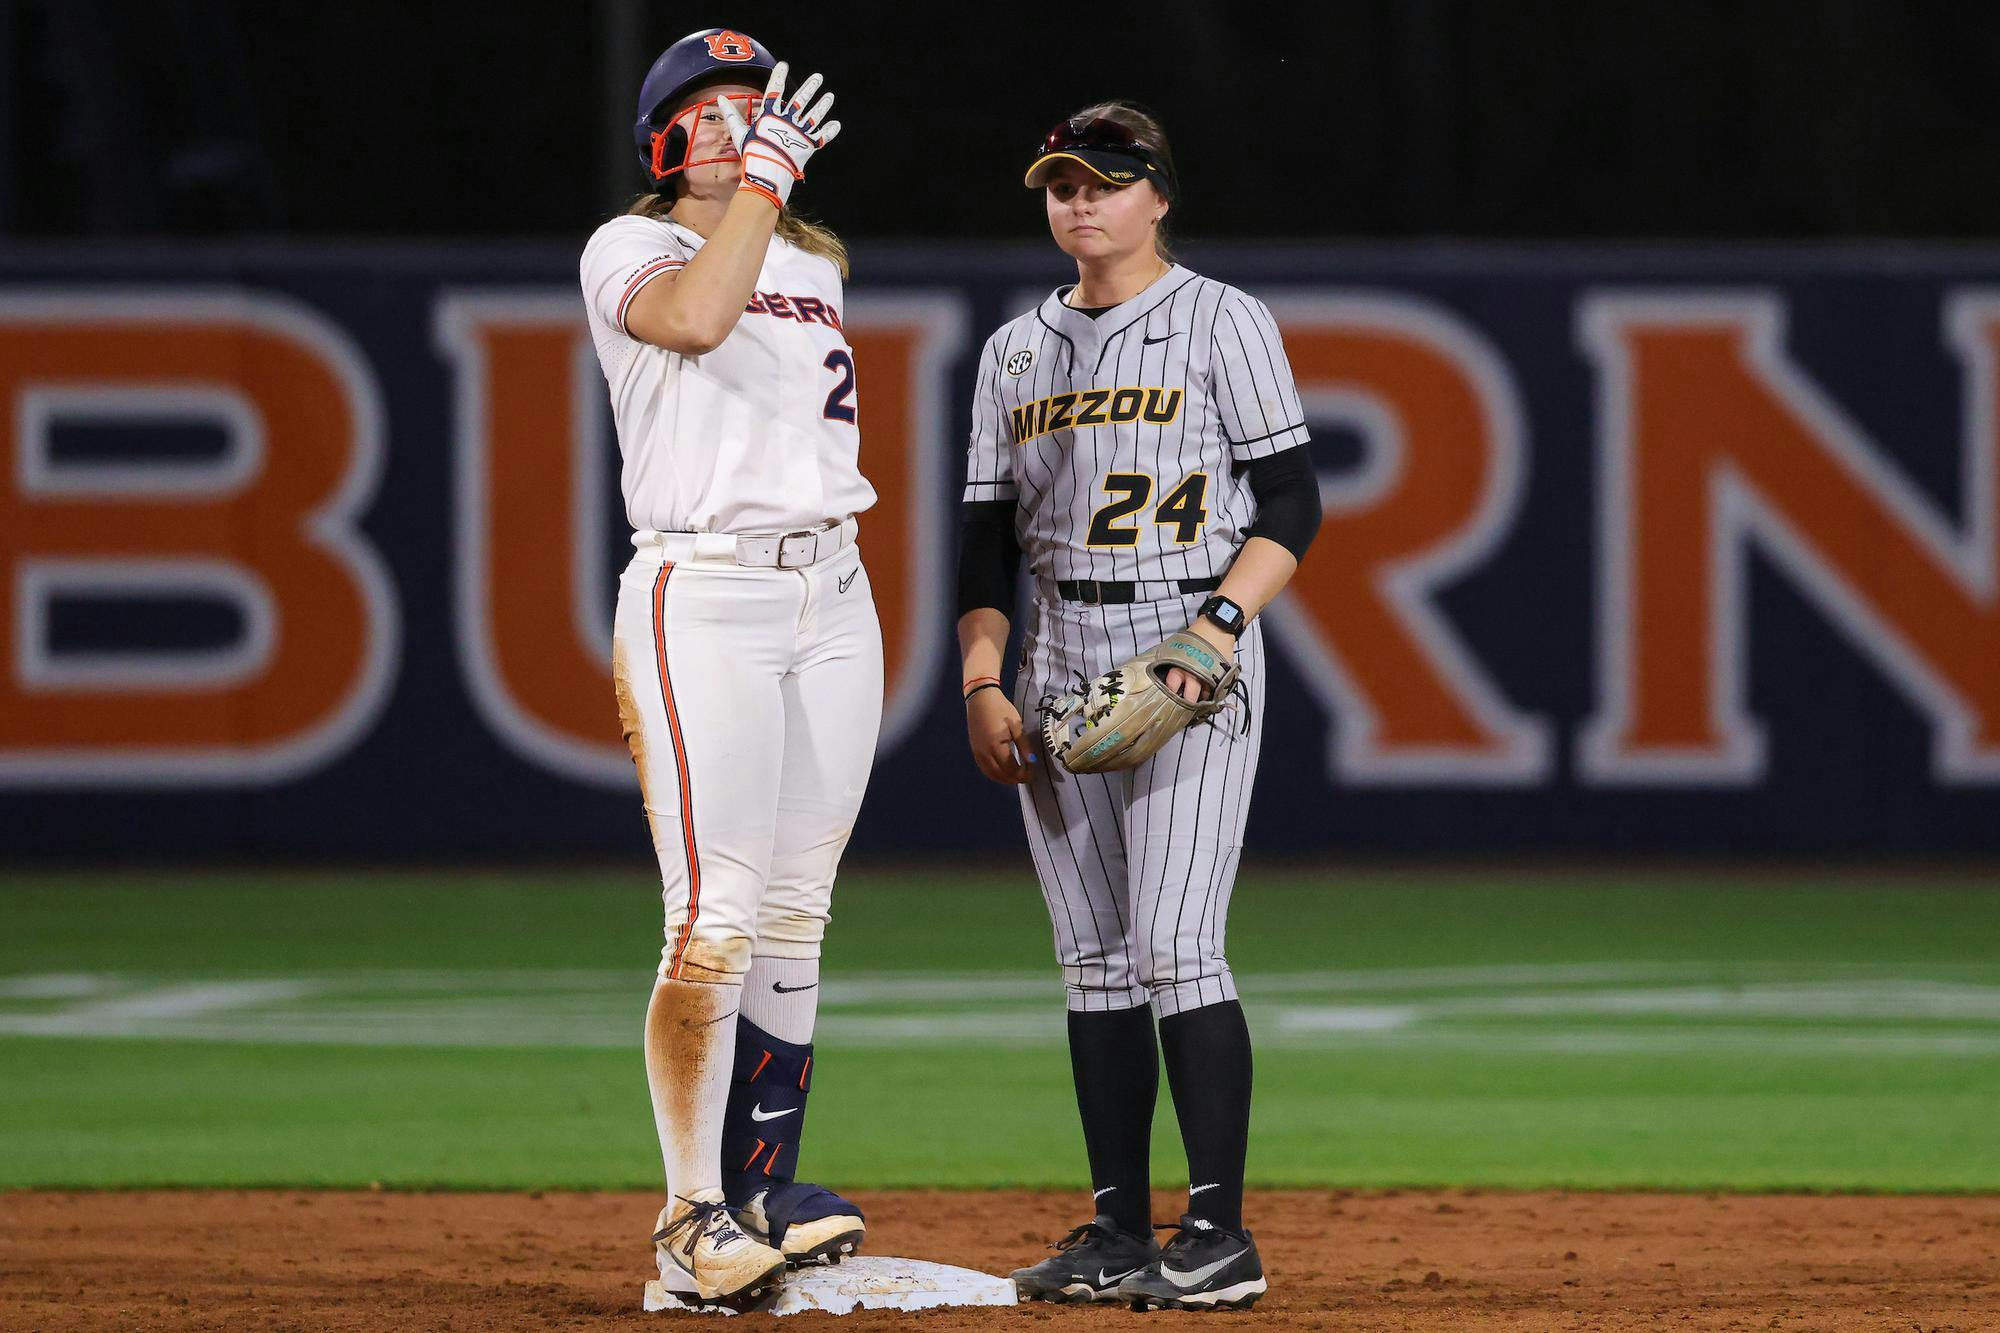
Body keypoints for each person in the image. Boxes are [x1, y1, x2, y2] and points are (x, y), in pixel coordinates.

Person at [955, 102, 1323, 1312]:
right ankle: (1118, 1226)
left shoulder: (1225, 321)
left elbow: (1290, 506)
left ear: (1157, 195)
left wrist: (1213, 632)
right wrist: (980, 678)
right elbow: (981, 542)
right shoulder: (1011, 350)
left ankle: (1217, 1232)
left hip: (1187, 630)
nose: (1080, 203)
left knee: (1173, 944)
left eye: (1105, 182)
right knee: (1093, 964)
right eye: (1061, 185)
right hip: (1056, 645)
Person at [579, 27, 877, 1308]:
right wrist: (757, 183)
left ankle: (765, 1183)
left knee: (799, 910)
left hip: (834, 585)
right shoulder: (630, 246)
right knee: (713, 915)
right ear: (662, 142)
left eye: (753, 106)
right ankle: (690, 1215)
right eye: (706, 109)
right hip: (703, 589)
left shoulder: (813, 257)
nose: (737, 124)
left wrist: (768, 198)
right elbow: (698, 322)